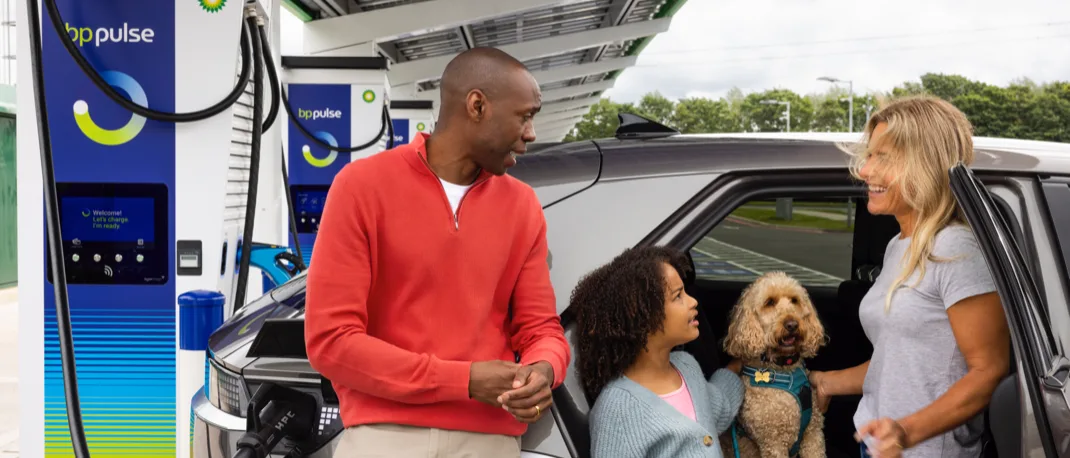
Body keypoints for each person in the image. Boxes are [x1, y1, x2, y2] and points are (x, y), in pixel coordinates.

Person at [303, 47, 570, 458]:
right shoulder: (360, 187)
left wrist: (544, 369)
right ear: (477, 105)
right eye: (525, 115)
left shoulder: (523, 205)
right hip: (384, 437)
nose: (531, 132)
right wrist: (462, 380)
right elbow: (331, 341)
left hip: (490, 443)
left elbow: (542, 331)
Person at [809, 95, 1011, 458]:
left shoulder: (955, 250)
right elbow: (901, 359)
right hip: (875, 441)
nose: (865, 171)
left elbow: (988, 370)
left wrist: (905, 431)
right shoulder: (899, 245)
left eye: (882, 158)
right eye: (869, 156)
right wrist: (827, 381)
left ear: (925, 164)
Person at [574, 245, 744, 458]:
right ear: (643, 315)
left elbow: (718, 408)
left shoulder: (686, 366)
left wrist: (736, 367)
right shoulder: (617, 409)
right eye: (678, 296)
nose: (693, 302)